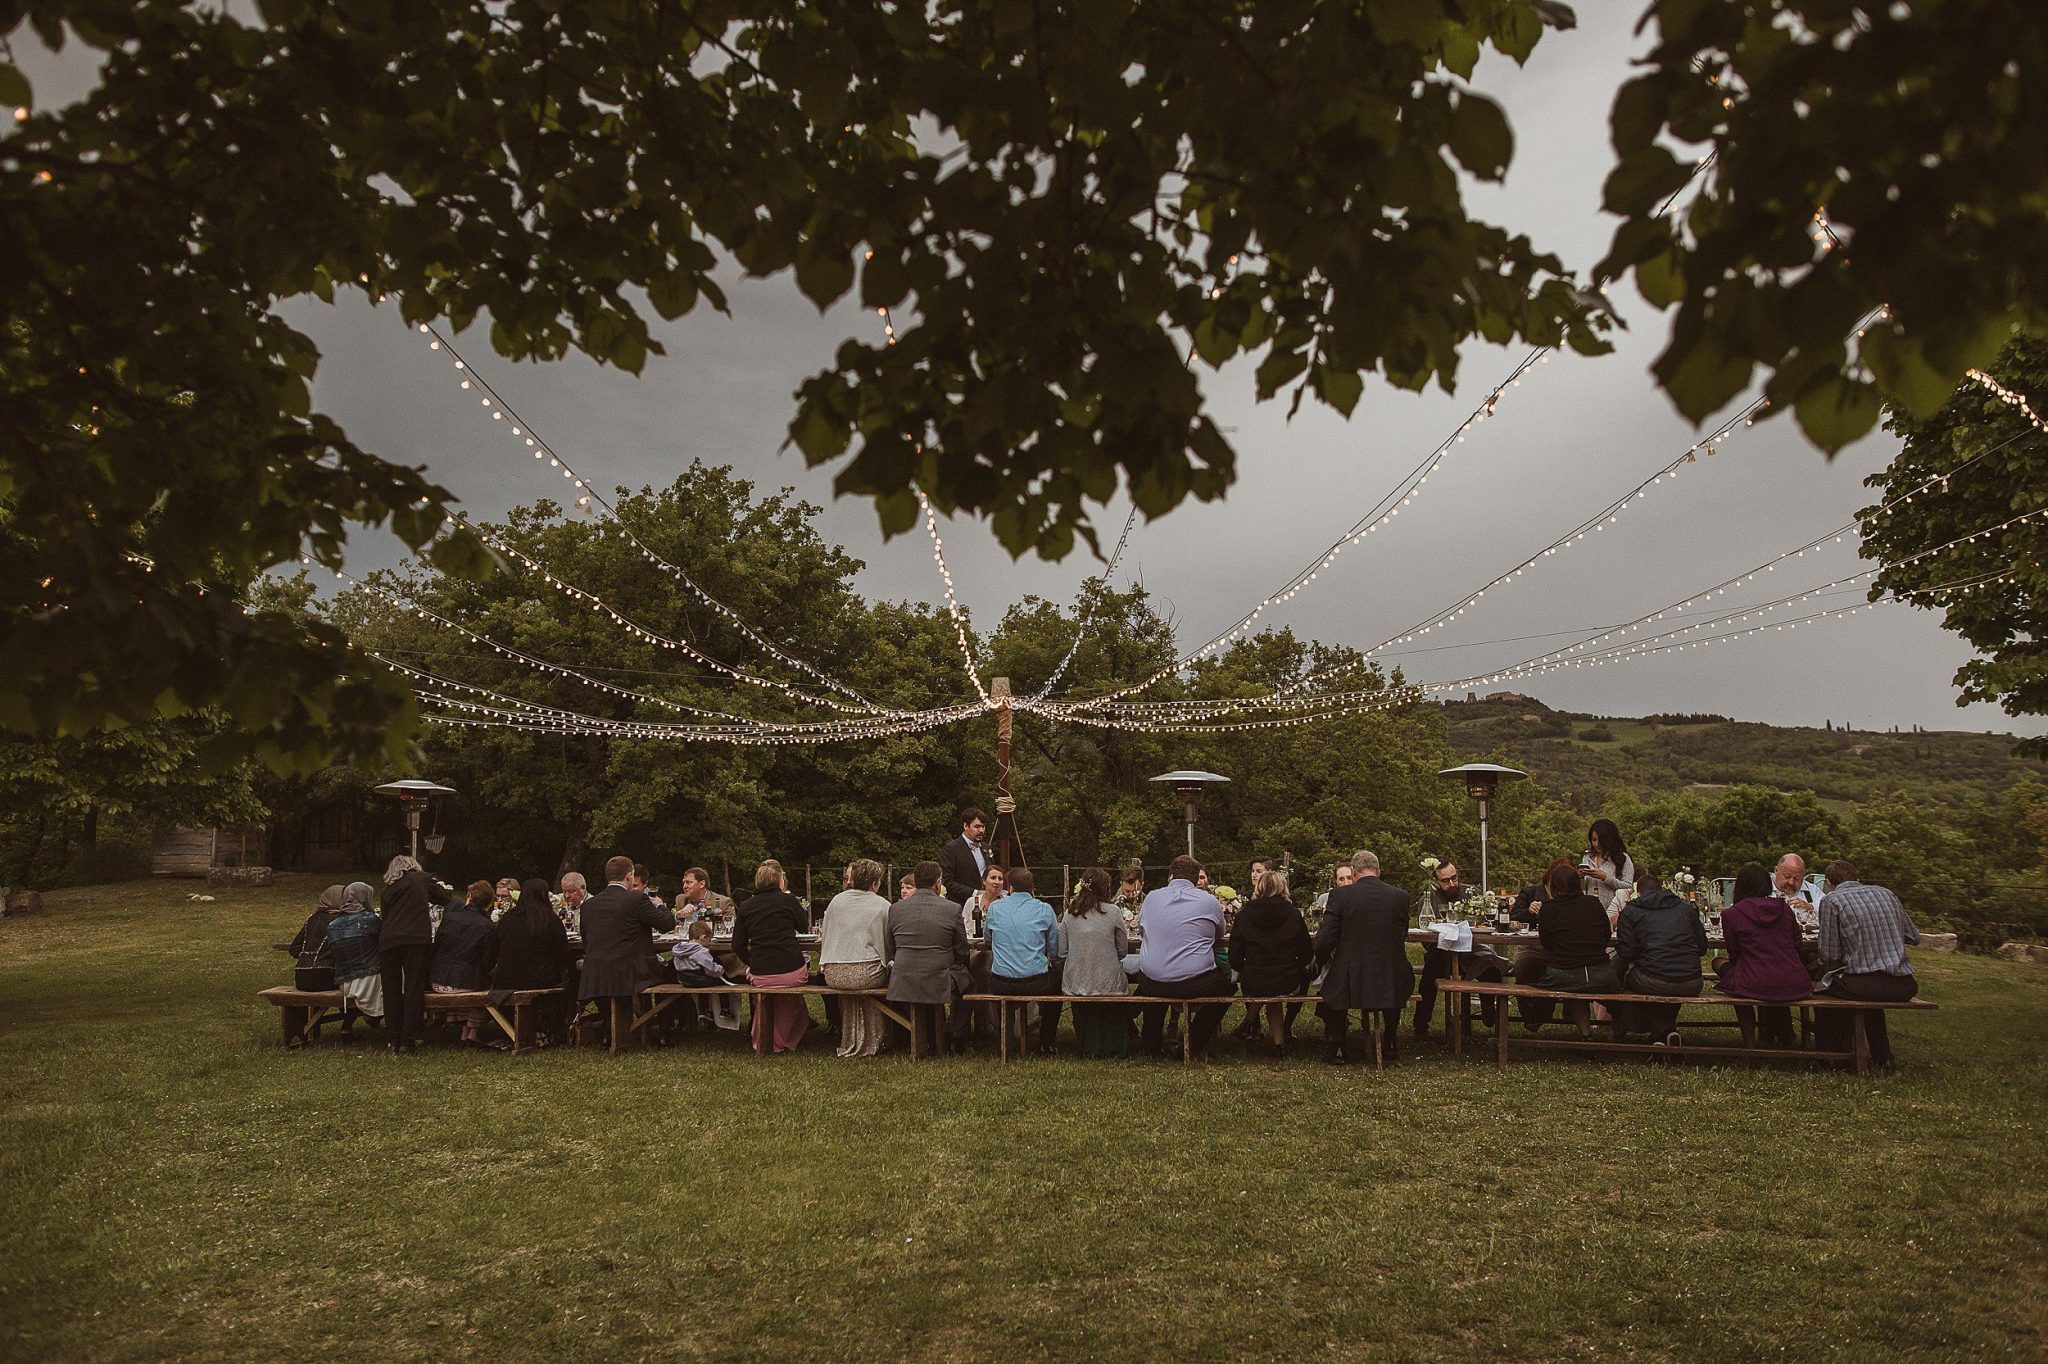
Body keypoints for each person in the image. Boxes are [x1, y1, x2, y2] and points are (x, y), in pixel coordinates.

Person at [1813, 859, 1921, 1070]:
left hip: (1866, 984)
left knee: (1820, 986)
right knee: (1868, 989)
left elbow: (1830, 956)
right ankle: (1883, 1056)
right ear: (1856, 877)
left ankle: (1829, 1054)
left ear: (1828, 883)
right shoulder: (1887, 893)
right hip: (1903, 984)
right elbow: (1913, 936)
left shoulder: (1833, 901)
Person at [1313, 850, 1415, 1064]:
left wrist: (1322, 960)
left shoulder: (1340, 895)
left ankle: (1339, 1046)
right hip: (1390, 973)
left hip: (1351, 976)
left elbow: (1324, 940)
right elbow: (1401, 935)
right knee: (1394, 973)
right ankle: (1390, 1042)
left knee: (1333, 977)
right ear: (1379, 871)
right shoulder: (1400, 896)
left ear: (1354, 871)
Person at [1133, 855, 1231, 1059]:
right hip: (1194, 982)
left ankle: (1151, 1043)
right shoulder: (1209, 901)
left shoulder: (1151, 898)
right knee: (1226, 988)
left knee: (1151, 981)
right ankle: (1192, 1044)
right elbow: (1219, 934)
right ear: (1197, 880)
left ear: (1171, 876)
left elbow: (1142, 931)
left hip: (1154, 981)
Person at [577, 855, 676, 1039]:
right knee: (671, 972)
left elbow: (586, 941)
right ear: (629, 876)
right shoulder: (636, 899)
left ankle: (610, 1031)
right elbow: (667, 924)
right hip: (631, 973)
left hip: (596, 972)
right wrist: (660, 905)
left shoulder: (588, 905)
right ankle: (665, 1031)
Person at [1611, 865, 1707, 1043]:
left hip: (1652, 979)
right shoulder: (1686, 909)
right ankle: (1664, 1031)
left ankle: (1640, 1026)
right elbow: (1702, 947)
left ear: (1638, 893)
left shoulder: (1630, 912)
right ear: (1662, 890)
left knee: (1621, 977)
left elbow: (1626, 952)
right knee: (1659, 977)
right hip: (1692, 981)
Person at [1412, 859, 1506, 1039]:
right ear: (1437, 882)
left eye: (1454, 878)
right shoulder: (1428, 898)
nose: (1452, 884)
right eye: (1446, 881)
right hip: (1441, 952)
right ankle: (1421, 1024)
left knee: (1492, 968)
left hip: (1471, 950)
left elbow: (1485, 924)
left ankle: (1488, 1011)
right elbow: (1426, 936)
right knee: (1429, 974)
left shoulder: (1472, 893)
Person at [886, 860, 974, 1052]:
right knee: (969, 982)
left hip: (903, 978)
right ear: (938, 883)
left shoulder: (895, 909)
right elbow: (961, 950)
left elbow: (891, 949)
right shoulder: (951, 909)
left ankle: (919, 1036)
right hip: (938, 978)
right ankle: (956, 1035)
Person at [377, 854, 458, 1055]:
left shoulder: (388, 891)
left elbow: (386, 916)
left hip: (388, 940)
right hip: (415, 938)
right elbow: (444, 898)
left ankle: (393, 1038)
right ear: (413, 867)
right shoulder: (420, 878)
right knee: (413, 987)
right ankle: (408, 1039)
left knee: (391, 990)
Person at [728, 859, 811, 1054]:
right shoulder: (788, 901)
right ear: (778, 881)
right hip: (792, 970)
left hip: (761, 973)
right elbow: (804, 926)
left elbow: (737, 945)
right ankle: (785, 1037)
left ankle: (766, 1037)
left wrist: (751, 962)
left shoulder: (747, 906)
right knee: (790, 997)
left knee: (767, 993)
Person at [1229, 867, 1315, 1053]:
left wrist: (1245, 968)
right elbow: (1307, 952)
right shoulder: (1293, 915)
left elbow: (1234, 956)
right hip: (1286, 979)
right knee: (1273, 994)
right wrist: (1294, 965)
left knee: (1266, 987)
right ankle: (1278, 1043)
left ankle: (1251, 1025)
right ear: (1282, 888)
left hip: (1254, 979)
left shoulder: (1243, 915)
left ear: (1258, 888)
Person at [1522, 860, 1616, 1029]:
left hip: (1564, 975)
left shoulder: (1549, 909)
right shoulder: (1593, 903)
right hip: (1602, 975)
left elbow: (1546, 943)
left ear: (1555, 886)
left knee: (1534, 976)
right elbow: (1606, 935)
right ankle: (1593, 1034)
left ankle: (1538, 1017)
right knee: (1581, 983)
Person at [985, 866, 1062, 1055]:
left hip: (1001, 982)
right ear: (1033, 888)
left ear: (1009, 888)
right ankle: (1046, 1041)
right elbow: (1055, 950)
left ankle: (1006, 1038)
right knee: (1058, 986)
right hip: (1036, 982)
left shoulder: (995, 908)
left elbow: (988, 939)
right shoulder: (1044, 909)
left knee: (990, 978)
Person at [821, 859, 891, 1057]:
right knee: (886, 972)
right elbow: (888, 943)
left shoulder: (837, 901)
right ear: (875, 883)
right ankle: (877, 1038)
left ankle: (852, 1037)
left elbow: (825, 934)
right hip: (866, 973)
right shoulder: (882, 905)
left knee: (856, 985)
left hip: (834, 973)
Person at [1060, 867, 1131, 1059]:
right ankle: (1114, 1046)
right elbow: (1123, 949)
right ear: (1105, 889)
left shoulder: (1069, 913)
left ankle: (1088, 1046)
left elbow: (1062, 951)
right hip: (1108, 982)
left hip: (1077, 980)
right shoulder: (1114, 912)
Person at [493, 875, 573, 1047]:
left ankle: (517, 1029)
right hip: (541, 978)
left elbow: (495, 950)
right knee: (570, 979)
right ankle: (557, 1026)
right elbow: (563, 954)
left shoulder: (507, 919)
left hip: (507, 979)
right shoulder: (550, 920)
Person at [430, 881, 501, 1044]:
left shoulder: (449, 918)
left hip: (438, 981)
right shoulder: (487, 926)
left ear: (469, 897)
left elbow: (437, 948)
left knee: (472, 976)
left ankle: (463, 1028)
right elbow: (488, 961)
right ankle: (472, 1030)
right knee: (489, 983)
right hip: (465, 983)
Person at [329, 880, 385, 1030]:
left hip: (345, 982)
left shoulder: (332, 925)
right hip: (370, 979)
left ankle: (348, 1025)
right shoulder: (369, 920)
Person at [289, 884, 344, 992]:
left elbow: (294, 949)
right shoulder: (341, 921)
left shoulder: (312, 919)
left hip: (301, 976)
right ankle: (347, 1010)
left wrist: (309, 957)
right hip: (327, 974)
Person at [1578, 818, 1636, 921]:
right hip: (1589, 912)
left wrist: (1605, 877)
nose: (1596, 844)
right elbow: (1583, 889)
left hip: (1614, 914)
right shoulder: (1587, 857)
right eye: (1594, 840)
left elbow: (1628, 886)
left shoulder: (1623, 859)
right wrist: (1581, 878)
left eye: (1600, 840)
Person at [937, 806, 991, 907]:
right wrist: (975, 893)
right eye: (977, 827)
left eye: (983, 827)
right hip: (961, 904)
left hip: (986, 903)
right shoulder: (951, 849)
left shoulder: (986, 848)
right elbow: (947, 881)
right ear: (966, 826)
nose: (981, 830)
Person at [964, 863, 1006, 938]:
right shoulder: (972, 901)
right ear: (984, 881)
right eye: (993, 878)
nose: (997, 882)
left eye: (1000, 879)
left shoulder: (1007, 902)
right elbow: (963, 926)